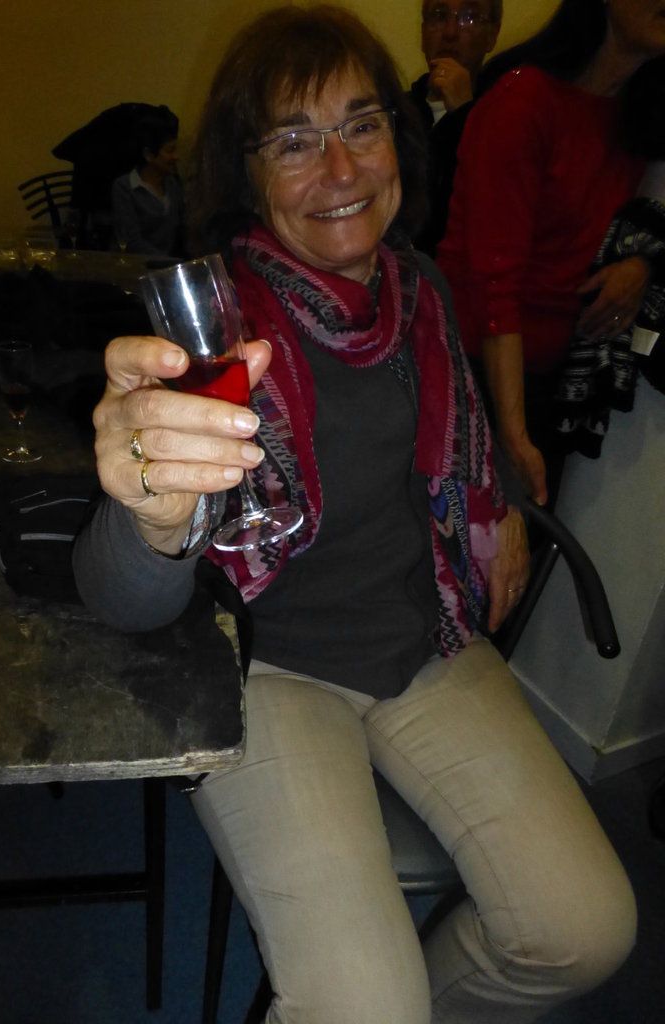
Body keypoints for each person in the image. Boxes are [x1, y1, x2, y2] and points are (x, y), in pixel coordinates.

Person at [74, 7, 636, 1023]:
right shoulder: (211, 336)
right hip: (270, 664)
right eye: (294, 141)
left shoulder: (419, 290)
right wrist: (147, 519)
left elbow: (457, 434)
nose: (340, 169)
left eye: (361, 125)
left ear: (396, 139)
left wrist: (503, 502)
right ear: (247, 173)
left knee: (587, 930)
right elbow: (121, 600)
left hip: (428, 637)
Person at [436, 0, 665, 506]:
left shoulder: (637, 115)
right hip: (471, 374)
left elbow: (638, 226)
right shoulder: (525, 101)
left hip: (552, 380)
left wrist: (642, 265)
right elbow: (495, 284)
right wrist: (514, 433)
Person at [407, 1, 502, 255]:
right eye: (439, 16)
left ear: (492, 35)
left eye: (469, 18)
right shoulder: (396, 114)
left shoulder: (505, 120)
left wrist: (464, 114)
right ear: (423, 32)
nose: (450, 32)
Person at [110, 105, 184, 258]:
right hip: (139, 266)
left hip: (167, 265)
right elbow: (132, 243)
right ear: (148, 155)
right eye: (170, 151)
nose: (176, 156)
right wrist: (171, 262)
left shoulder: (172, 184)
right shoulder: (125, 188)